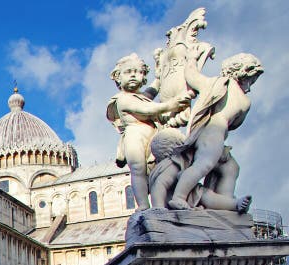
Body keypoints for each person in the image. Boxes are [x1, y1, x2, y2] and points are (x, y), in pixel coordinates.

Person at [168, 52, 263, 211]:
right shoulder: (220, 85)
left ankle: (225, 204)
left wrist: (192, 59)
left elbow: (192, 76)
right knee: (204, 165)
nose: (250, 87)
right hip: (212, 132)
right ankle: (179, 197)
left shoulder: (228, 90)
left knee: (231, 167)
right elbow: (192, 77)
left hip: (219, 135)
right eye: (250, 81)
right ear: (242, 72)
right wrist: (191, 57)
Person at [106, 53, 192, 209]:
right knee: (138, 169)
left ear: (144, 76)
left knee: (156, 171)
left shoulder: (141, 96)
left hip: (152, 137)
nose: (133, 75)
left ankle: (162, 201)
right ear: (118, 77)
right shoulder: (123, 99)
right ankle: (143, 205)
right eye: (128, 72)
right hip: (135, 136)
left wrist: (160, 75)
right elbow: (148, 109)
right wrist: (173, 104)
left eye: (138, 72)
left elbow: (152, 91)